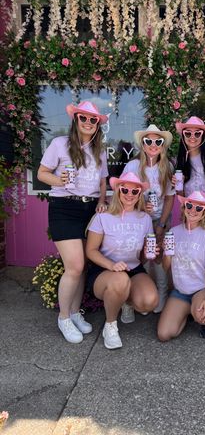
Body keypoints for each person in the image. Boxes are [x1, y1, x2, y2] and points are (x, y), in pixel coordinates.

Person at [37, 101, 109, 344]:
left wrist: (101, 202)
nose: (88, 123)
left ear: (98, 124)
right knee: (75, 266)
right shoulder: (60, 144)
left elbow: (102, 183)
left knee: (84, 265)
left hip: (89, 209)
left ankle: (75, 312)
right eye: (84, 118)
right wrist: (60, 181)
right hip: (65, 208)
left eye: (93, 120)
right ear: (76, 120)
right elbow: (41, 173)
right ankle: (64, 317)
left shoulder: (99, 150)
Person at [85, 172, 159, 350]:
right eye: (125, 190)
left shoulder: (145, 219)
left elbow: (143, 253)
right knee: (120, 280)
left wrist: (153, 253)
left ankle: (126, 301)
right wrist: (111, 265)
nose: (129, 195)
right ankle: (110, 325)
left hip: (133, 268)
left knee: (149, 301)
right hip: (104, 271)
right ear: (118, 191)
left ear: (140, 194)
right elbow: (91, 251)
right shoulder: (103, 216)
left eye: (135, 192)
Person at [157, 191, 205, 341]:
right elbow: (165, 267)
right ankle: (188, 311)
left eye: (199, 208)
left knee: (202, 315)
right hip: (182, 291)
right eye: (189, 205)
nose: (193, 210)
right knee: (164, 334)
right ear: (183, 207)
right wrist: (167, 254)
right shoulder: (173, 232)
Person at [121, 124, 175, 314]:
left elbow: (170, 197)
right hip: (136, 220)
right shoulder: (133, 166)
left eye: (157, 141)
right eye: (148, 141)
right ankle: (134, 298)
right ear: (142, 145)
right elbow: (123, 195)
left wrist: (161, 224)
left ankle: (161, 293)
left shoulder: (167, 167)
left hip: (159, 220)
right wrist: (142, 207)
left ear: (162, 146)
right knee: (139, 256)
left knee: (158, 256)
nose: (153, 144)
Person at [174, 116, 205, 232]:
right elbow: (183, 196)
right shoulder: (181, 161)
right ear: (183, 136)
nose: (192, 137)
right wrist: (178, 186)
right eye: (187, 133)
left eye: (197, 133)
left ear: (203, 136)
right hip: (192, 218)